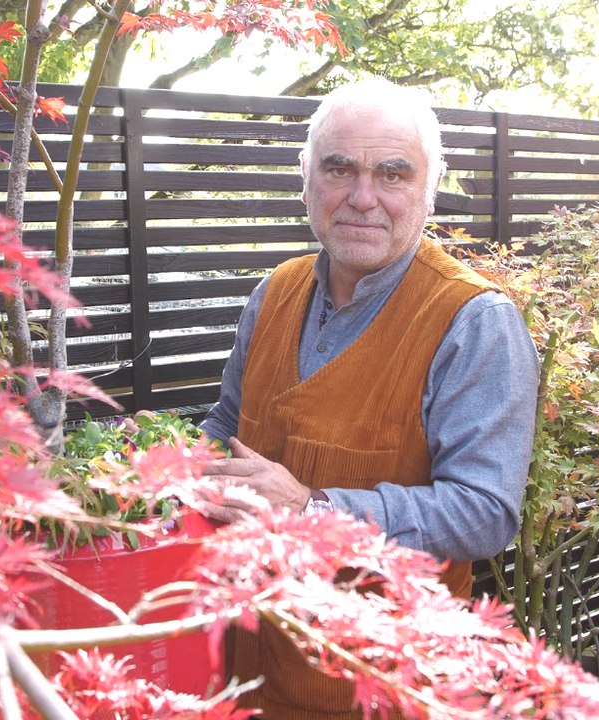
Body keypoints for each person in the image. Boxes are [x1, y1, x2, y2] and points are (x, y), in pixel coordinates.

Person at [198, 77, 539, 719]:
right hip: (245, 662)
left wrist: (312, 508)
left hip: (382, 683)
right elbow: (227, 422)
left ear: (428, 191)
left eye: (392, 174)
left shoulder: (473, 322)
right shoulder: (274, 291)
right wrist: (163, 475)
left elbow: (485, 512)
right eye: (339, 168)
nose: (362, 198)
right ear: (306, 179)